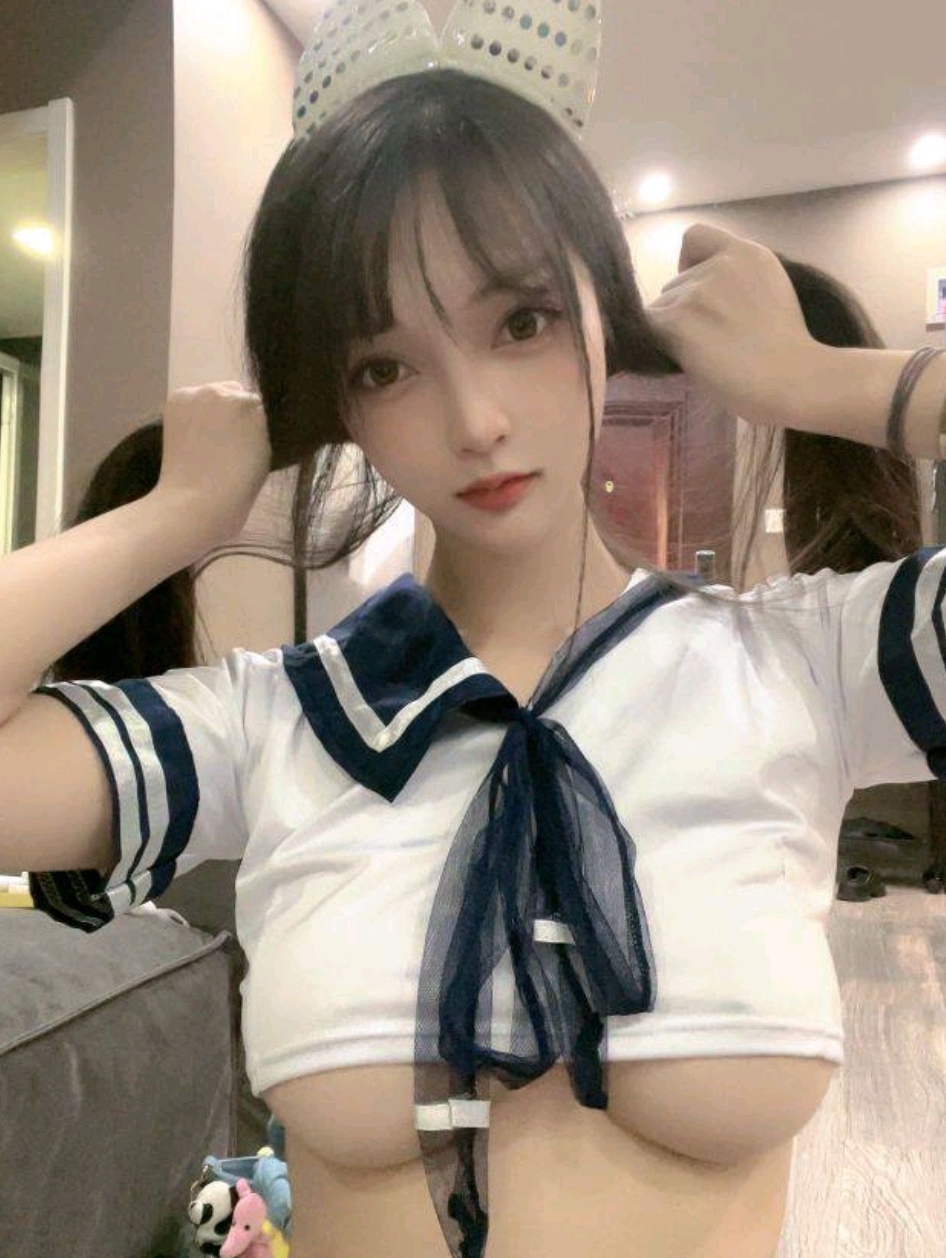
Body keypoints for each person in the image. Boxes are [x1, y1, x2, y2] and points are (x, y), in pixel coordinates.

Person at [2, 3, 946, 1257]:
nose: (476, 419)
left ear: (606, 314)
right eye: (384, 367)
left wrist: (829, 381)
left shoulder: (795, 665)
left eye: (521, 321)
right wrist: (168, 519)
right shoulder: (273, 724)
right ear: (337, 403)